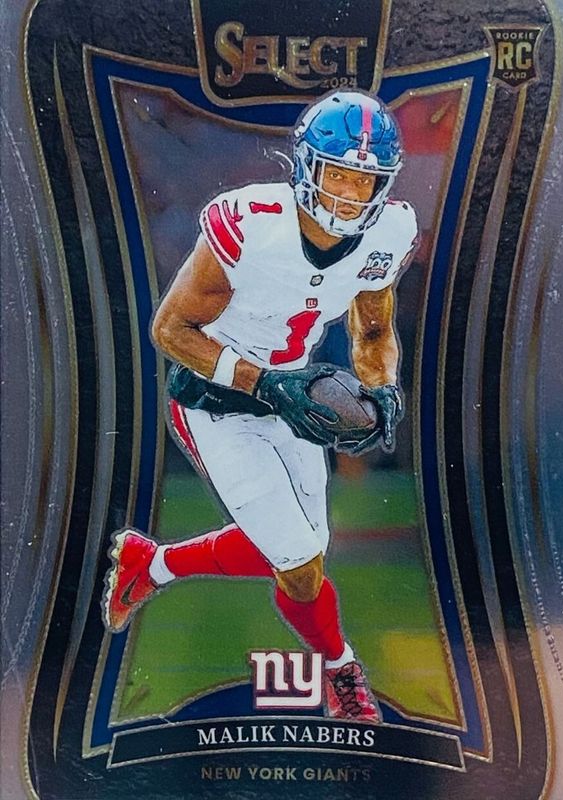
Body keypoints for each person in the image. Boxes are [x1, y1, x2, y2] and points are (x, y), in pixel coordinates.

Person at [103, 90, 418, 722]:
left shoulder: (387, 233)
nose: (349, 194)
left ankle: (151, 565)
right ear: (306, 166)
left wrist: (383, 389)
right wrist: (267, 384)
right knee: (298, 562)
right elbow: (171, 330)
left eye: (364, 180)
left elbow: (373, 331)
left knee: (305, 553)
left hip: (291, 393)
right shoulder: (250, 223)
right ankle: (342, 671)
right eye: (338, 174)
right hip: (214, 399)